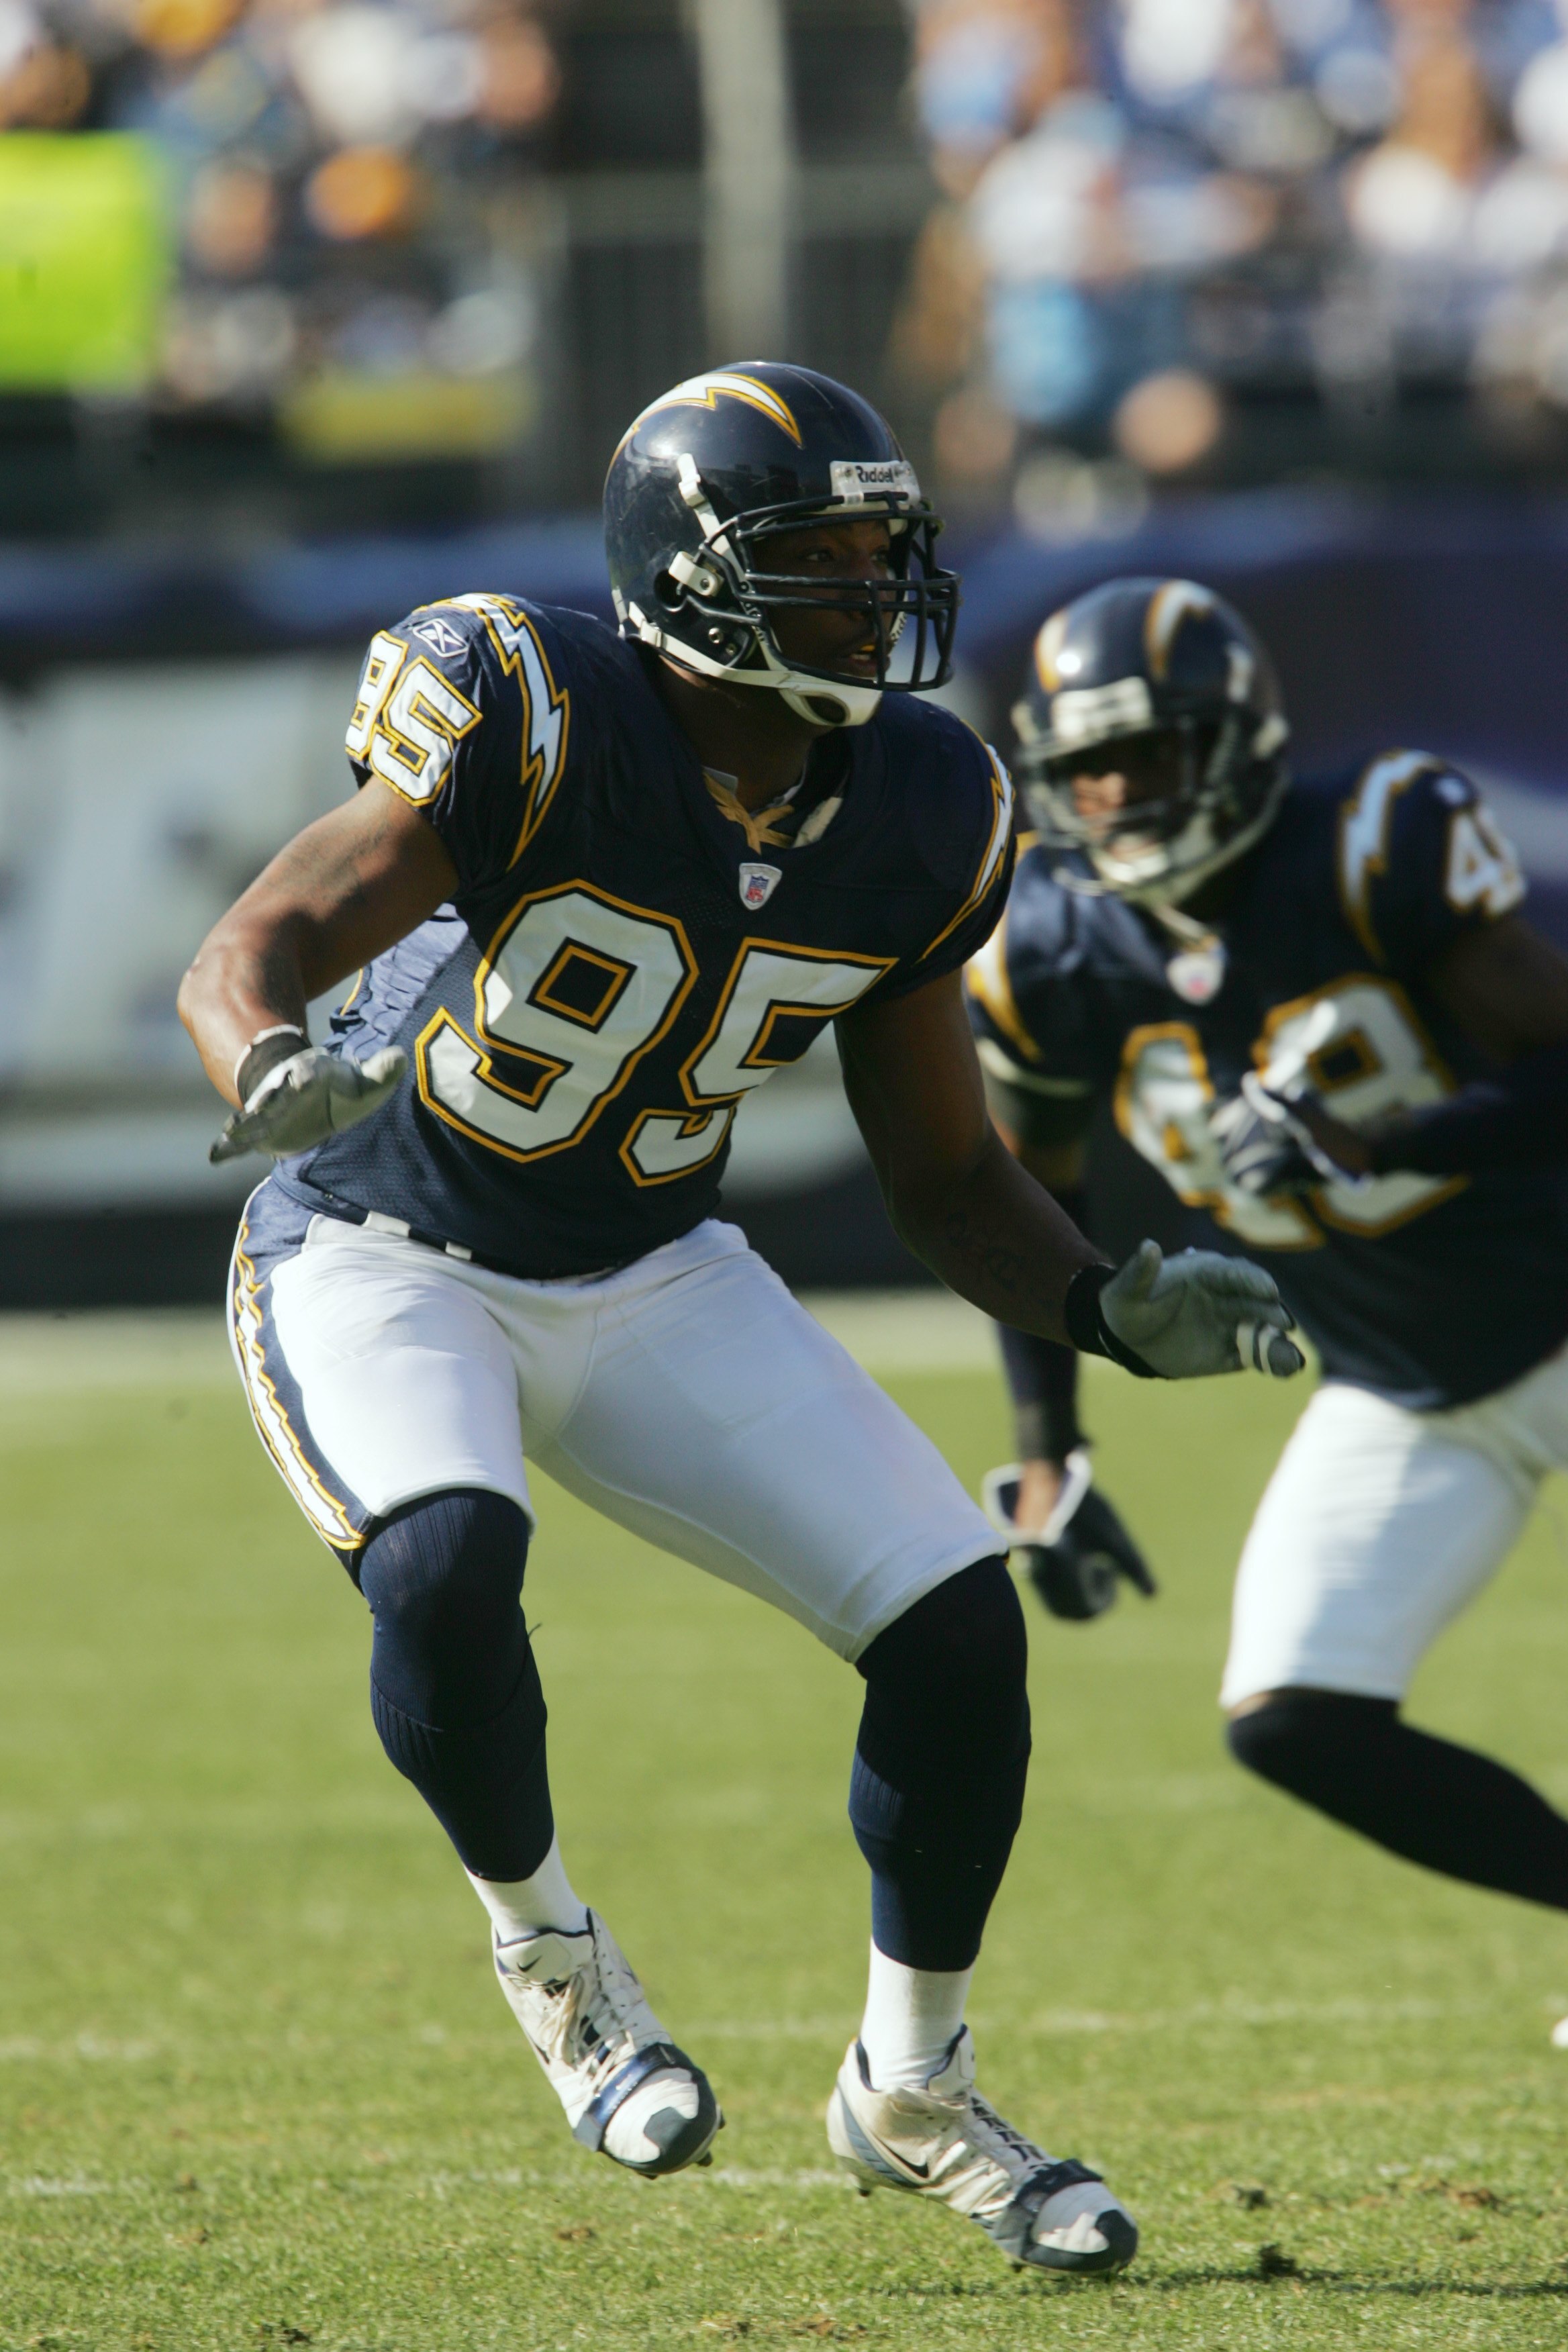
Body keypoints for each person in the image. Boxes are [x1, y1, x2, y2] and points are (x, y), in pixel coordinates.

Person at [178, 373, 1302, 2278]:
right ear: (685, 583)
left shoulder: (927, 802)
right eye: (823, 561)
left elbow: (945, 1179)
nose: (874, 596)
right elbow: (255, 945)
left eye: (886, 554)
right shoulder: (537, 707)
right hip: (386, 1248)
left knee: (956, 1631)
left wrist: (1108, 1309)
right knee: (446, 1562)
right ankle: (554, 1959)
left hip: (648, 1266)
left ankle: (916, 2090)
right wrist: (269, 1056)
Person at [967, 573, 1568, 2007]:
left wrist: (1387, 1139)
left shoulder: (1371, 842)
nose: (1112, 794)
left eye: (1145, 754)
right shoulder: (1050, 947)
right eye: (1083, 767)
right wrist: (1050, 1449)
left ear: (1231, 739)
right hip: (1411, 1385)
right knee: (1293, 1717)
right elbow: (1019, 1200)